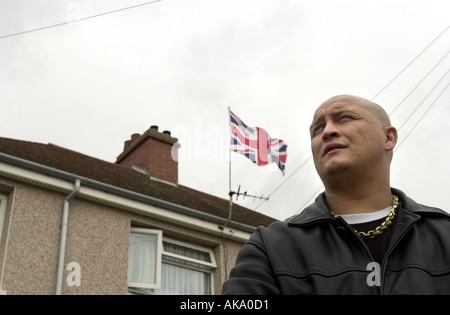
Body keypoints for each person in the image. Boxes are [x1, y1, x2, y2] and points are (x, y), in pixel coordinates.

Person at [222, 94, 450, 295]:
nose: (328, 131)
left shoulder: (444, 235)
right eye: (317, 129)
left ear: (388, 138)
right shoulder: (271, 247)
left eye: (345, 118)